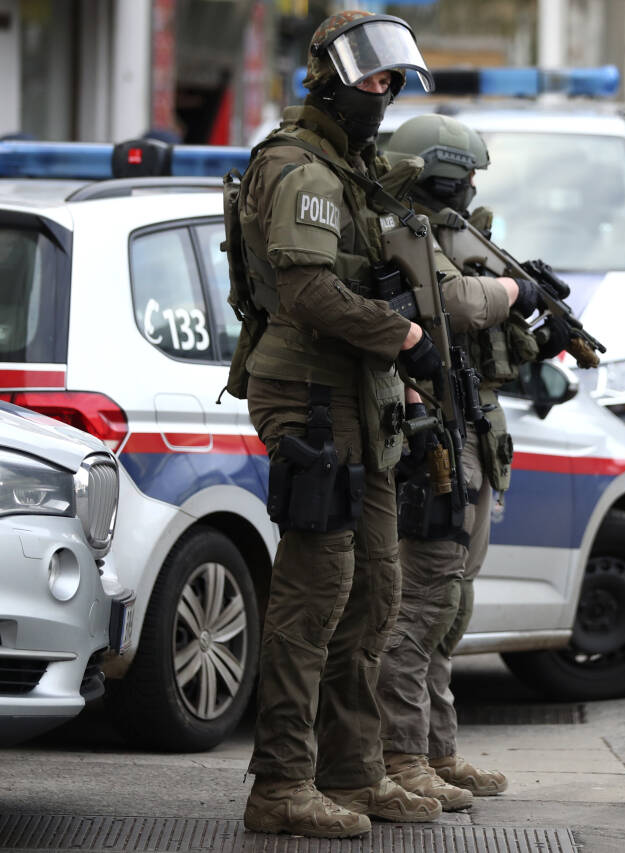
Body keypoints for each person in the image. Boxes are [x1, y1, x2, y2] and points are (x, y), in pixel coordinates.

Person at [227, 11, 445, 837]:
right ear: (328, 76)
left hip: (360, 396)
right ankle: (281, 782)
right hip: (309, 396)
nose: (382, 95)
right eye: (371, 79)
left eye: (392, 81)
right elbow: (311, 291)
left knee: (375, 589)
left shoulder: (348, 168)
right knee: (313, 596)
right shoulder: (299, 169)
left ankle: (353, 772)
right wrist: (407, 336)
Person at [377, 114, 549, 808]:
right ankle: (403, 752)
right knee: (421, 603)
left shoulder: (444, 235)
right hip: (430, 438)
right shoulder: (402, 233)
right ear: (442, 174)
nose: (473, 187)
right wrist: (514, 291)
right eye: (466, 176)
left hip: (463, 430)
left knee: (449, 602)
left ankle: (437, 747)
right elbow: (457, 303)